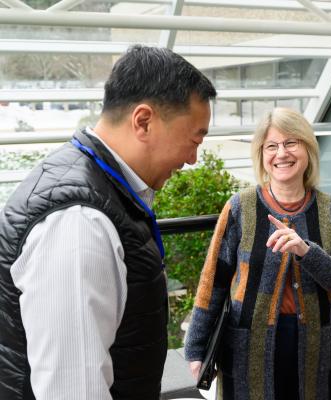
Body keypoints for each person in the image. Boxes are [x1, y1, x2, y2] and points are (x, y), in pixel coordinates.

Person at [0, 45, 216, 400]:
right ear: (143, 121)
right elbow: (72, 391)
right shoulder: (79, 223)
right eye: (194, 139)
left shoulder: (97, 188)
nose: (192, 159)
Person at [184, 107, 331, 399]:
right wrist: (196, 348)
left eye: (291, 143)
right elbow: (213, 280)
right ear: (261, 155)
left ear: (307, 148)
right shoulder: (240, 207)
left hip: (313, 349)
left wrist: (307, 252)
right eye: (272, 146)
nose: (282, 153)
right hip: (248, 349)